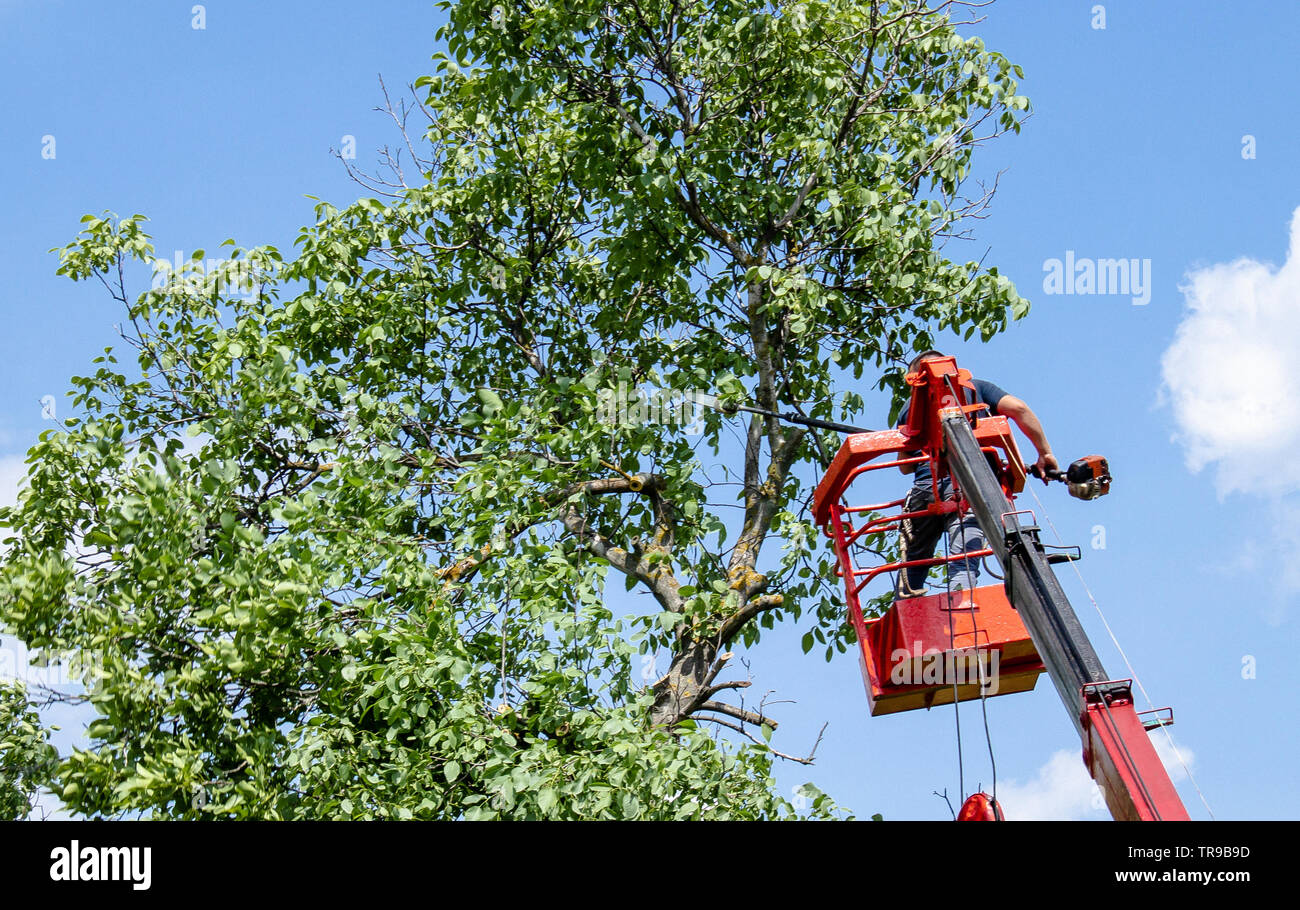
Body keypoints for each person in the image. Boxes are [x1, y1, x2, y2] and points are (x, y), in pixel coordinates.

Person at [894, 351, 1059, 598]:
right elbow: (1019, 409)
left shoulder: (911, 407)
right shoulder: (977, 388)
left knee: (915, 562)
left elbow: (905, 466)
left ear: (915, 378)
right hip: (972, 486)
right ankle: (962, 604)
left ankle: (906, 606)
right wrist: (1044, 453)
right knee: (964, 560)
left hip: (928, 489)